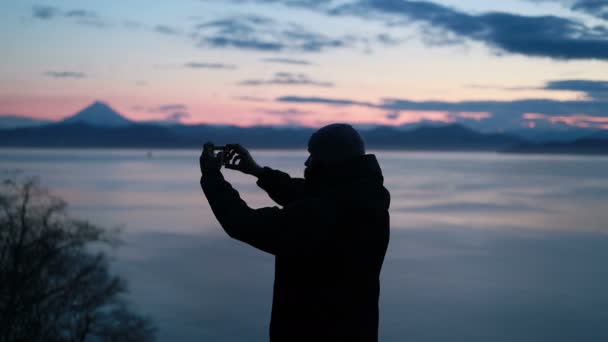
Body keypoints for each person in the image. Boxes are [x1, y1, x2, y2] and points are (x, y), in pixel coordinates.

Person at [199, 123, 390, 342]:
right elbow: (311, 194)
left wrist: (211, 175)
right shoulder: (368, 196)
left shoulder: (323, 213)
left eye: (313, 156)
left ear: (330, 162)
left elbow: (244, 223)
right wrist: (258, 171)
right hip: (358, 329)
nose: (307, 162)